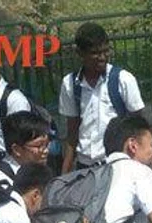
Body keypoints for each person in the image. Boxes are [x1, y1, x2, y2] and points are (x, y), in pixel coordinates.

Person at [58, 22, 147, 173]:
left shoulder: (123, 80)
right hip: (85, 167)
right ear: (79, 53)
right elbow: (72, 132)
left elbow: (139, 128)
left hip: (117, 165)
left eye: (106, 51)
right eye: (95, 53)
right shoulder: (70, 85)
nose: (102, 58)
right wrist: (64, 175)